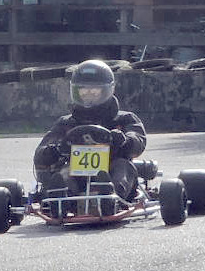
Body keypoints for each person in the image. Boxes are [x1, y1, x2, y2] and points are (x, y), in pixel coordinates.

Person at [33, 59, 147, 210]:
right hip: (76, 174)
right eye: (83, 89)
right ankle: (60, 199)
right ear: (75, 91)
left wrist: (124, 140)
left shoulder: (124, 119)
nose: (88, 94)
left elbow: (138, 140)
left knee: (123, 166)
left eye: (94, 89)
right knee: (64, 172)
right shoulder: (66, 123)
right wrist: (55, 150)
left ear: (108, 89)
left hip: (112, 170)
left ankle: (110, 198)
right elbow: (40, 155)